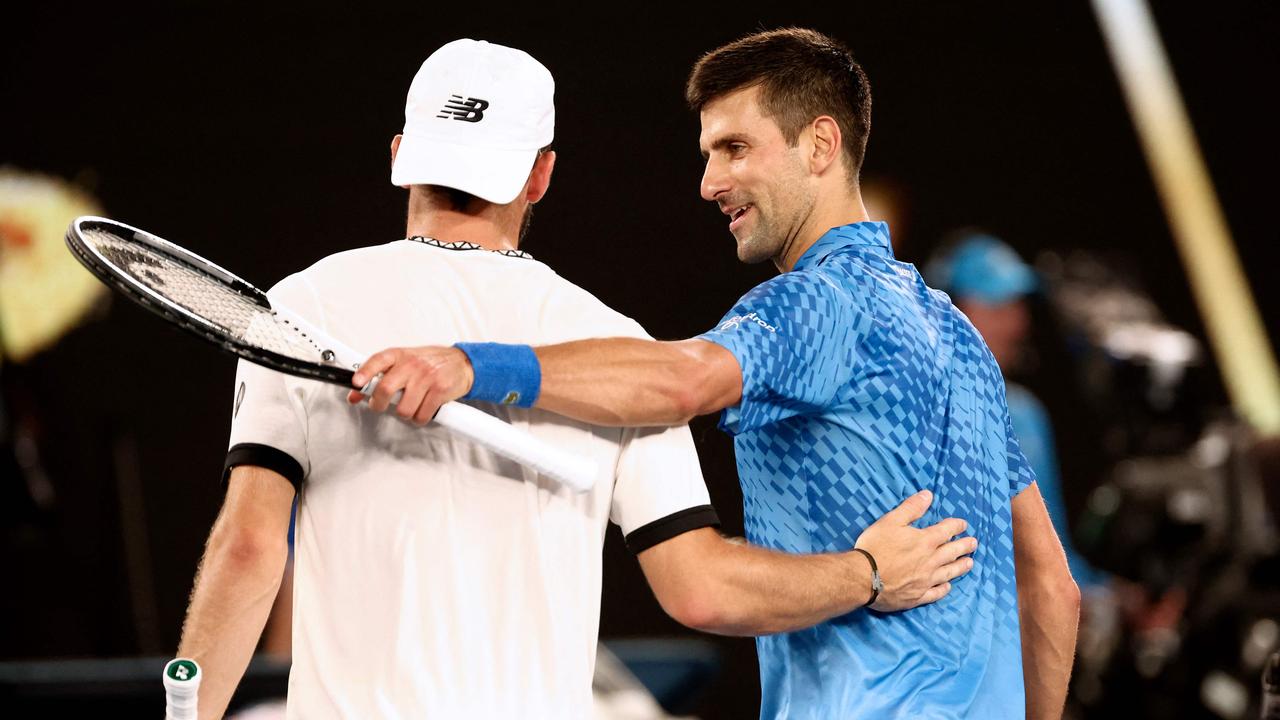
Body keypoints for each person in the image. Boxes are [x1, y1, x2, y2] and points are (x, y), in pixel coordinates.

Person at [176, 38, 977, 719]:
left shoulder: (303, 306)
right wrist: (869, 574)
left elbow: (250, 549)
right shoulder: (617, 349)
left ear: (401, 157)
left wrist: (189, 713)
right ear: (541, 176)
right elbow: (701, 590)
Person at [356, 28, 1081, 719]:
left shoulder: (818, 301)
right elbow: (1052, 587)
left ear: (821, 144)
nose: (710, 183)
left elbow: (683, 382)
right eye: (708, 153)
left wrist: (470, 365)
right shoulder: (955, 332)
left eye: (736, 148)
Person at [926, 232, 1107, 592]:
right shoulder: (909, 408)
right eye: (996, 307)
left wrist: (1108, 596)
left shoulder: (1025, 412)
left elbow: (1052, 554)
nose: (1016, 324)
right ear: (947, 309)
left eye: (1016, 307)